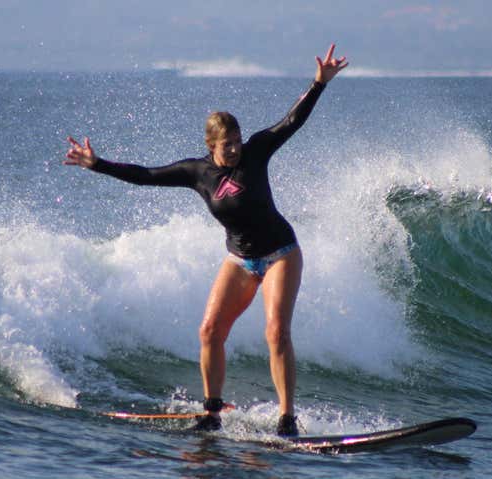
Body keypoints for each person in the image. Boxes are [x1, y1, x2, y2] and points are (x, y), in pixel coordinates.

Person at [65, 44, 348, 436]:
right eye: (226, 144)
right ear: (210, 146)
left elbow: (291, 121)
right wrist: (97, 164)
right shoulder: (196, 173)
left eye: (236, 140)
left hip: (281, 252)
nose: (234, 148)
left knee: (276, 332)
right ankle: (212, 412)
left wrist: (319, 83)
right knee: (210, 331)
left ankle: (287, 419)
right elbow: (145, 175)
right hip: (240, 260)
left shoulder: (256, 152)